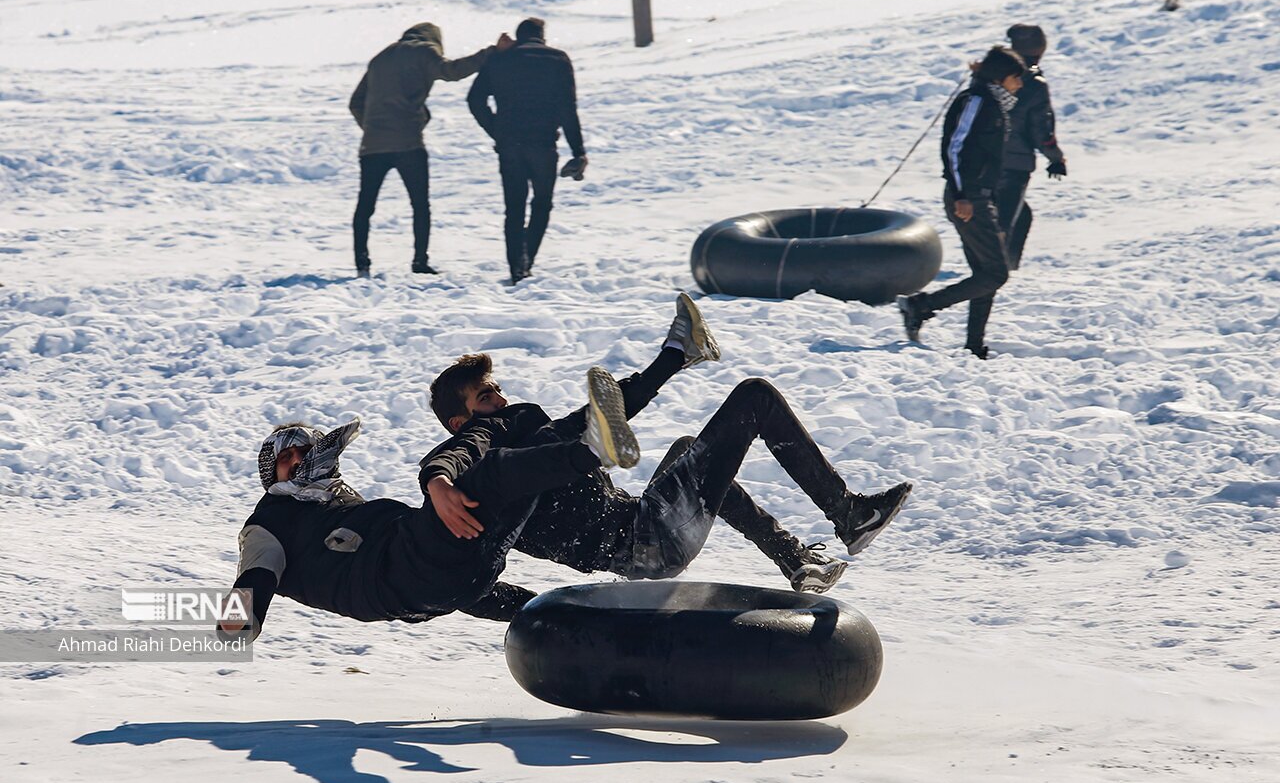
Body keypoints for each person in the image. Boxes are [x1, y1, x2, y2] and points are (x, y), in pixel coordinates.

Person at [421, 296, 912, 601]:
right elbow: (454, 456)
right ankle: (848, 514)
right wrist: (437, 480)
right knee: (754, 398)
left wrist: (670, 359)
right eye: (487, 397)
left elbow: (604, 415)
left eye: (498, 388)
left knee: (686, 451)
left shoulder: (528, 440)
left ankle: (797, 561)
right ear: (460, 420)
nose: (502, 400)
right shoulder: (483, 457)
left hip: (643, 534)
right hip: (642, 543)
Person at [217, 366, 657, 640]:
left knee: (525, 471)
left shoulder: (335, 506)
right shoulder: (269, 522)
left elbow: (453, 589)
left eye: (299, 452)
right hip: (403, 567)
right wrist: (238, 621)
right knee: (496, 471)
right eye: (282, 461)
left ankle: (591, 622)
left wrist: (539, 612)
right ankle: (595, 448)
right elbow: (257, 573)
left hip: (441, 579)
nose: (293, 463)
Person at [348, 23, 512, 278]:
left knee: (366, 205)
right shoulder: (424, 52)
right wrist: (490, 52)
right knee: (419, 205)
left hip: (373, 146)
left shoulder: (380, 58)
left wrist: (372, 127)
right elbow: (452, 71)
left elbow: (355, 103)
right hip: (408, 143)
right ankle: (419, 262)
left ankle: (362, 262)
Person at [896, 46, 1027, 359]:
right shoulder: (976, 101)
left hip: (980, 196)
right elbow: (954, 149)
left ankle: (974, 345)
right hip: (967, 200)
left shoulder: (993, 102)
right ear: (1001, 77)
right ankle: (920, 306)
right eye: (1015, 78)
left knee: (985, 273)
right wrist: (961, 195)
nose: (1019, 85)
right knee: (996, 274)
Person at [466, 18, 587, 284]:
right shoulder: (557, 59)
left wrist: (496, 129)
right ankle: (527, 261)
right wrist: (578, 150)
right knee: (542, 203)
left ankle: (516, 268)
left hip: (509, 144)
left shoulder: (499, 60)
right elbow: (568, 109)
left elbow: (474, 100)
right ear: (542, 36)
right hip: (543, 143)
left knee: (514, 207)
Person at [997, 24, 1068, 270]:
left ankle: (1006, 265)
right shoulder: (1033, 83)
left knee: (1019, 214)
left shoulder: (993, 73)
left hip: (984, 157)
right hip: (1014, 162)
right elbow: (1041, 130)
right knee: (1007, 220)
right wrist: (1055, 158)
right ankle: (998, 270)